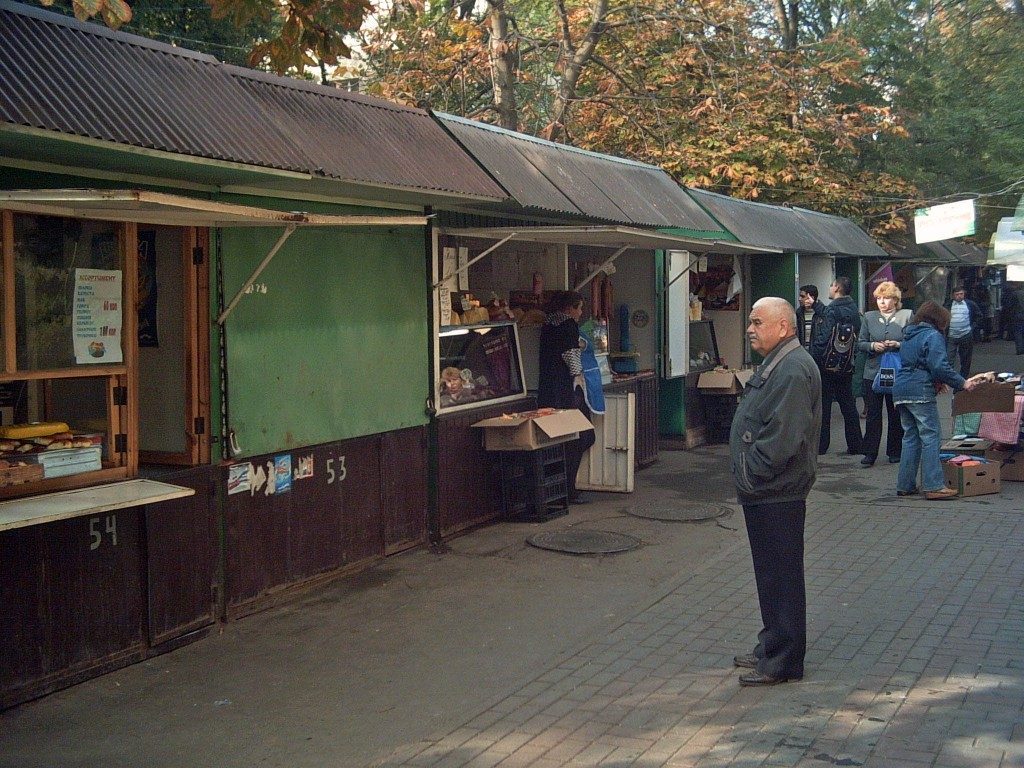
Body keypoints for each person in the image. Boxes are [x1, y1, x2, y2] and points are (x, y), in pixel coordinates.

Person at [729, 297, 821, 686]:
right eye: (750, 321)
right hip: (768, 491)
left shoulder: (793, 369)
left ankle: (784, 661)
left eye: (757, 321)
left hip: (776, 492)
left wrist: (751, 473)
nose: (750, 328)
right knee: (770, 575)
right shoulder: (781, 362)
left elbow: (782, 439)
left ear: (783, 327)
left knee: (781, 577)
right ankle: (772, 644)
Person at [892, 301, 982, 500]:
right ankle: (933, 485)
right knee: (931, 437)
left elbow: (918, 362)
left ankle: (905, 484)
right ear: (938, 320)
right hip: (920, 391)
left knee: (910, 437)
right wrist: (962, 383)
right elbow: (939, 366)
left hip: (901, 389)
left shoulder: (908, 334)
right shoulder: (933, 336)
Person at [537, 291, 597, 504]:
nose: (580, 313)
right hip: (565, 391)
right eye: (579, 308)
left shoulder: (547, 326)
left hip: (547, 390)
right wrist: (579, 381)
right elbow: (571, 357)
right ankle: (568, 488)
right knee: (582, 436)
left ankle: (558, 487)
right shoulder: (568, 326)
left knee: (556, 441)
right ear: (569, 308)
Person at [858, 281, 913, 467]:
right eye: (879, 298)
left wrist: (898, 345)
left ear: (895, 300)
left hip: (897, 372)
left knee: (895, 413)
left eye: (887, 298)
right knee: (873, 414)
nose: (882, 302)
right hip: (873, 372)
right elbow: (861, 342)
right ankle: (869, 453)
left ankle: (895, 451)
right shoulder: (869, 317)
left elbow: (913, 343)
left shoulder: (906, 316)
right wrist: (873, 346)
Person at [810, 276, 862, 455]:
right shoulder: (854, 309)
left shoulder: (831, 310)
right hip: (846, 365)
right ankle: (856, 444)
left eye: (831, 285)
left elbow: (824, 338)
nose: (829, 288)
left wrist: (813, 358)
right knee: (848, 405)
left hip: (827, 365)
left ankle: (822, 445)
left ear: (837, 288)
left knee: (824, 406)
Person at [944, 285, 981, 376]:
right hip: (951, 335)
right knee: (949, 358)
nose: (960, 296)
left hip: (966, 334)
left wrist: (972, 328)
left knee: (965, 358)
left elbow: (979, 316)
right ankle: (950, 377)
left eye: (961, 294)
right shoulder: (948, 305)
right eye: (957, 294)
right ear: (953, 295)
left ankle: (963, 377)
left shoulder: (970, 304)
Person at [796, 285, 824, 351]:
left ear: (811, 298)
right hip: (802, 353)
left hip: (817, 354)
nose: (799, 299)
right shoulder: (799, 313)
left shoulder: (822, 313)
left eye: (802, 296)